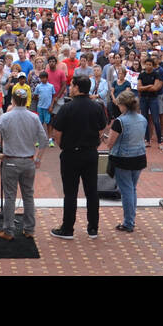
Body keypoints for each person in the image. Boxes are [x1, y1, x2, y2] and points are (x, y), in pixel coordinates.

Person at [49, 75, 107, 240]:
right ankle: (93, 228)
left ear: (76, 87)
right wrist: (95, 143)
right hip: (90, 153)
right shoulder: (96, 107)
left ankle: (68, 229)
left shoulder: (67, 108)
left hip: (70, 153)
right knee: (92, 191)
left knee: (70, 192)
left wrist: (63, 146)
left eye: (72, 85)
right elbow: (102, 129)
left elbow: (57, 132)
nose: (70, 88)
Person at [0, 85, 47, 241]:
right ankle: (29, 229)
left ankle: (8, 230)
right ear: (26, 100)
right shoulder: (34, 117)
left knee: (10, 197)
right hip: (28, 161)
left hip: (10, 160)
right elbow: (44, 140)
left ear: (13, 100)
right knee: (28, 195)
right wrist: (38, 158)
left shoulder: (6, 117)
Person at [105, 89, 146, 233]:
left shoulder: (120, 121)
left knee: (126, 190)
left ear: (123, 105)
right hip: (139, 156)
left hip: (123, 159)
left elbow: (110, 143)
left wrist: (105, 137)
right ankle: (131, 219)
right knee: (132, 189)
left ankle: (128, 222)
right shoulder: (142, 118)